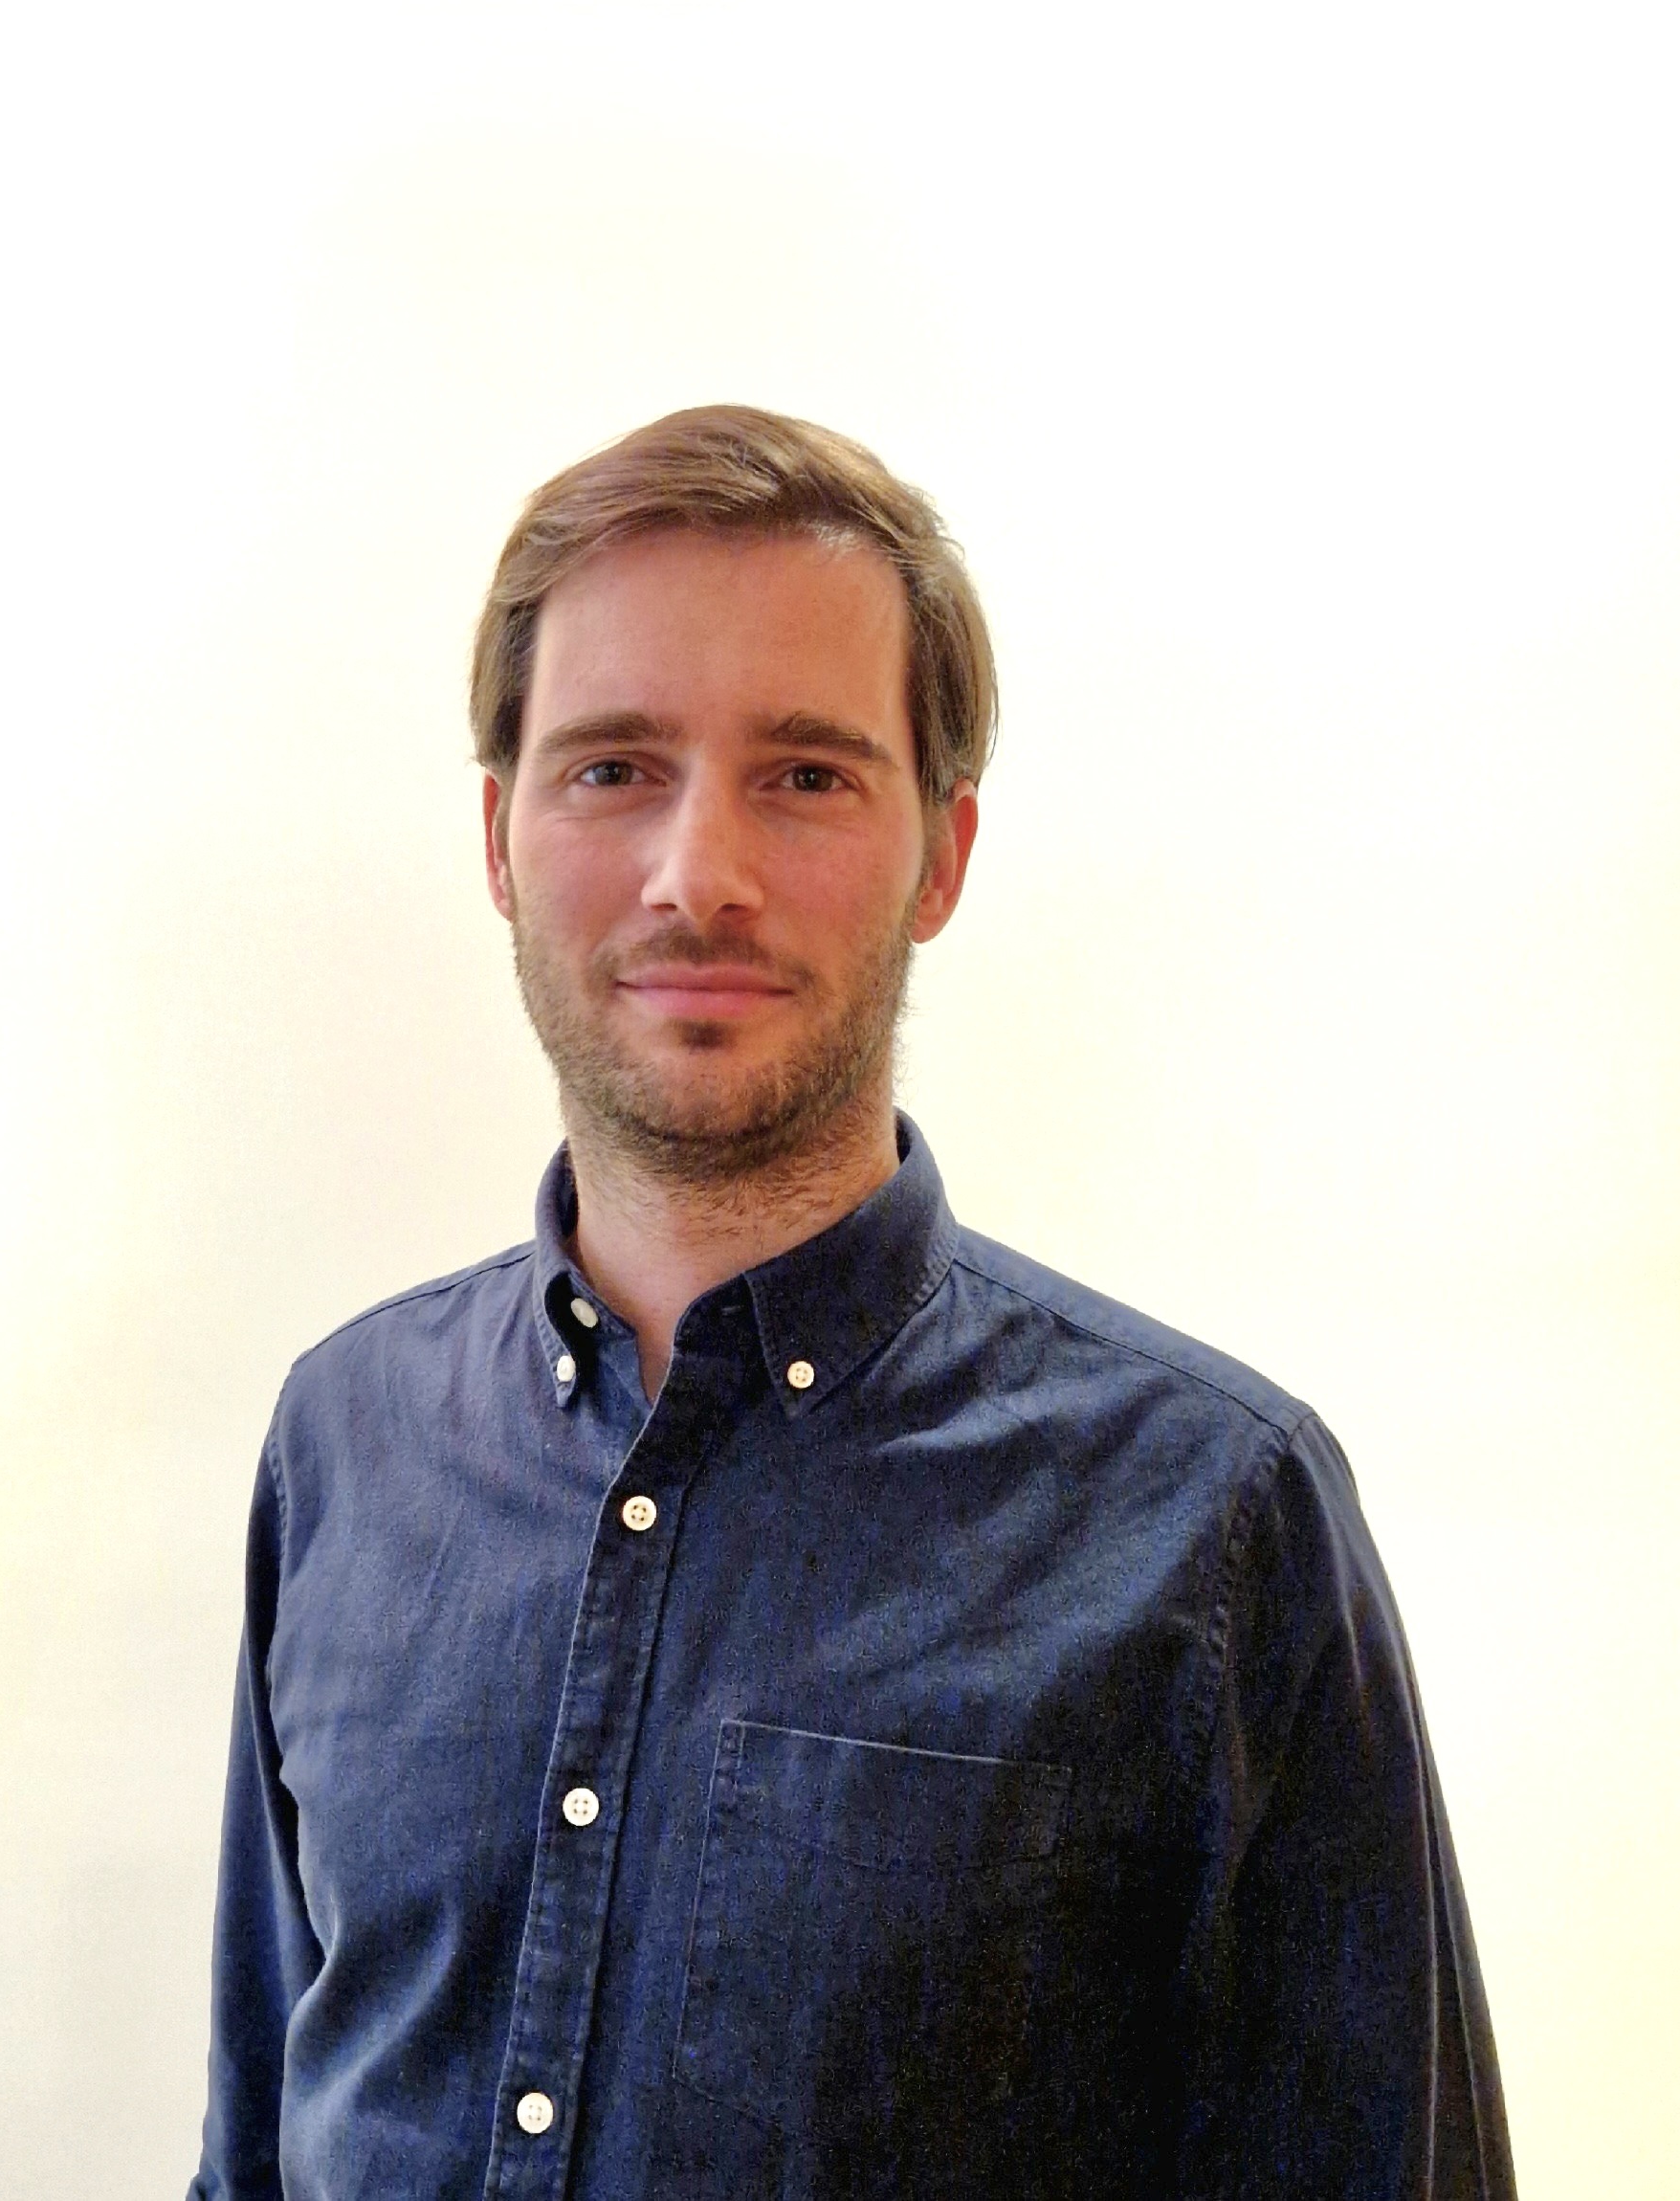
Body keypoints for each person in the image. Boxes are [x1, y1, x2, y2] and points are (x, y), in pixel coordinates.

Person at [188, 406, 1514, 2200]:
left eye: (806, 776)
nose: (699, 876)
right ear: (500, 839)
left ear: (940, 855)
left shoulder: (1215, 1522)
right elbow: (256, 2151)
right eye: (612, 768)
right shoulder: (345, 1440)